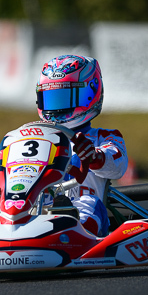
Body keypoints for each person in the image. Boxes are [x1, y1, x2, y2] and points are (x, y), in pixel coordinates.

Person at [36, 54, 128, 237]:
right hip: (38, 206)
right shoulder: (34, 137)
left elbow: (117, 166)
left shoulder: (102, 137)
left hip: (82, 210)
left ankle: (75, 236)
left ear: (89, 94)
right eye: (51, 99)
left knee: (88, 203)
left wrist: (95, 156)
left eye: (63, 98)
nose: (55, 108)